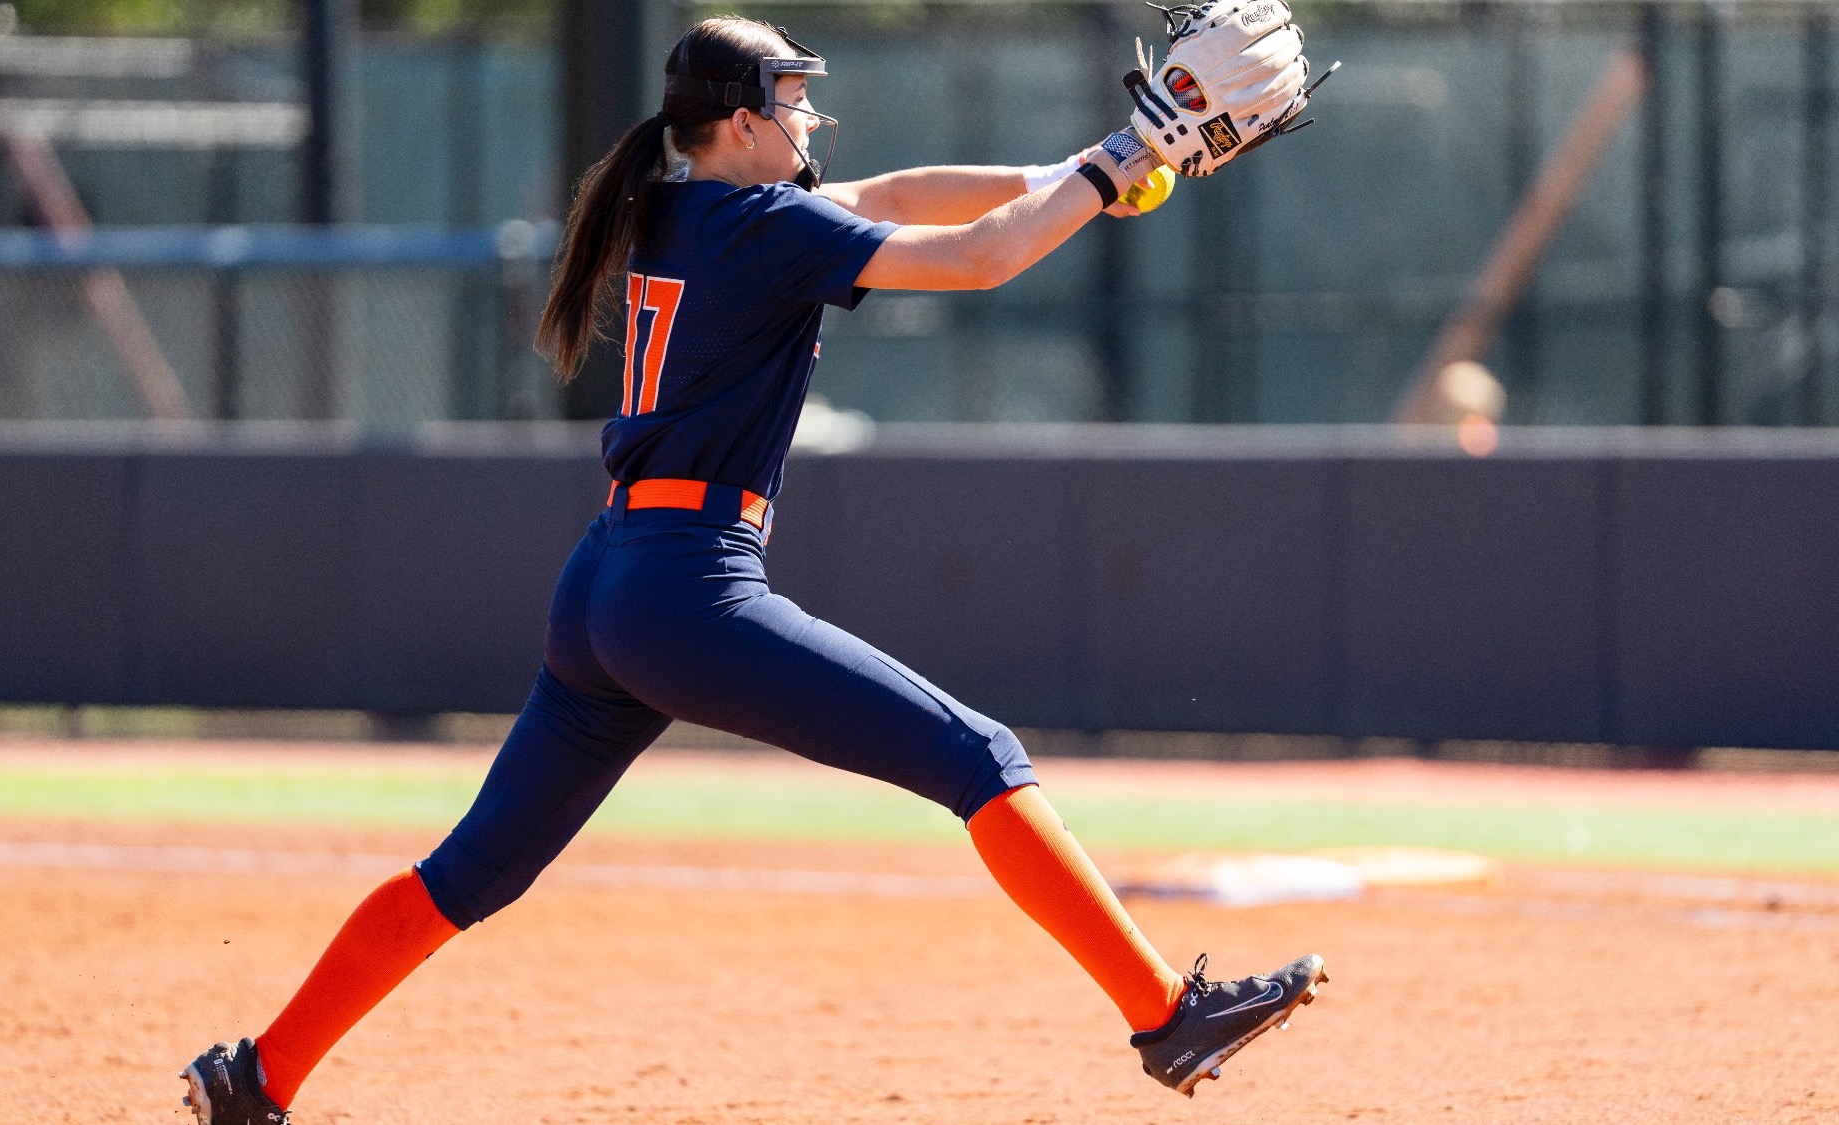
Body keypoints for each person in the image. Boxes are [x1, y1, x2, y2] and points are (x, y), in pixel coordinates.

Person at [180, 16, 1325, 1123]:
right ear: (737, 121)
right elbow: (979, 259)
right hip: (687, 589)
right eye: (791, 99)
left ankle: (257, 1076)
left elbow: (894, 197)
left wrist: (1079, 173)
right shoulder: (765, 225)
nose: (809, 116)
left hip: (608, 580)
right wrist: (1125, 152)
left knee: (469, 872)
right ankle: (1163, 1017)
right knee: (979, 756)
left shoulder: (679, 206)